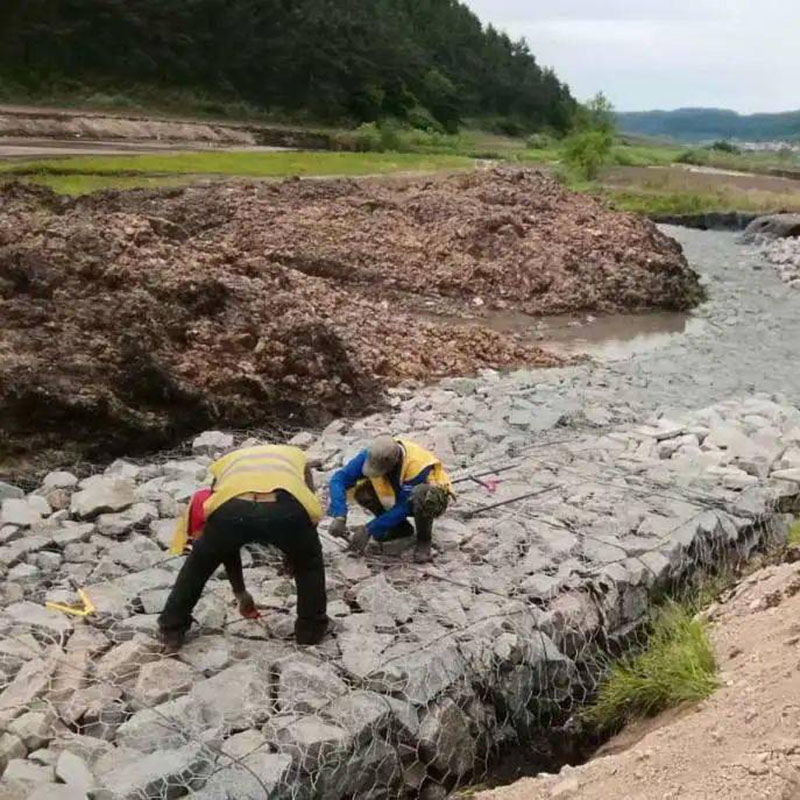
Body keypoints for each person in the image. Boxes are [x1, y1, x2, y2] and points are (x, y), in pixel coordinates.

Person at [158, 444, 327, 652]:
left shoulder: (228, 464)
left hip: (233, 510)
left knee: (198, 565)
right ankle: (310, 631)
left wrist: (240, 592)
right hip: (284, 509)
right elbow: (308, 507)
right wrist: (295, 554)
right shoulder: (296, 456)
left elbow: (227, 547)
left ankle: (172, 629)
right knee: (309, 565)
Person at [327, 435, 452, 563]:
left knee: (421, 496)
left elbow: (405, 506)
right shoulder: (373, 454)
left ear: (394, 464)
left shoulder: (416, 465)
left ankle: (424, 539)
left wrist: (370, 528)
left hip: (429, 494)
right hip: (396, 490)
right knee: (363, 492)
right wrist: (339, 515)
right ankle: (399, 529)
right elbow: (339, 479)